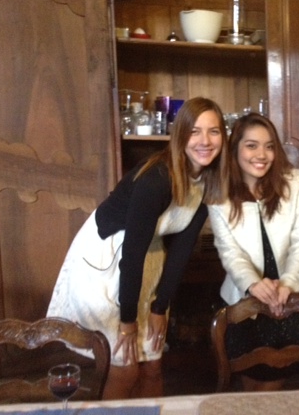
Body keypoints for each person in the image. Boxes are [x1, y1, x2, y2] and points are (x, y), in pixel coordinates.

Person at [47, 97, 228, 399]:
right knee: (125, 367)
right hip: (107, 259)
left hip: (149, 257)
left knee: (153, 366)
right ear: (180, 135)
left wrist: (160, 307)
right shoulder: (157, 178)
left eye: (214, 131)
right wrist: (127, 321)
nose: (205, 141)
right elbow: (131, 255)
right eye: (194, 131)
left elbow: (182, 250)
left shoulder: (209, 180)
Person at [208, 113, 299, 391]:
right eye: (251, 145)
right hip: (245, 300)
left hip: (291, 294)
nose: (262, 155)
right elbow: (229, 251)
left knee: (275, 381)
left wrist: (289, 284)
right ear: (235, 149)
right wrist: (252, 284)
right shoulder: (218, 194)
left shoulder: (293, 181)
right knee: (249, 380)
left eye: (269, 146)